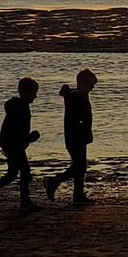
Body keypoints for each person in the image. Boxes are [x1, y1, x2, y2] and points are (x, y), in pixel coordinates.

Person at [0, 77, 41, 213]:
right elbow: (17, 132)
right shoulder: (21, 109)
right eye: (34, 93)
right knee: (21, 173)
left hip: (12, 144)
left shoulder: (18, 107)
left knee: (16, 173)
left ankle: (23, 201)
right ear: (27, 93)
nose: (35, 96)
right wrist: (30, 138)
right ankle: (22, 202)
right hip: (13, 145)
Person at [44, 69, 97, 207]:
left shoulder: (80, 96)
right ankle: (54, 181)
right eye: (90, 85)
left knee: (81, 167)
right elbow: (77, 119)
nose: (91, 89)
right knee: (79, 166)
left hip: (79, 137)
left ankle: (78, 195)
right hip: (75, 137)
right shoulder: (76, 97)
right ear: (83, 83)